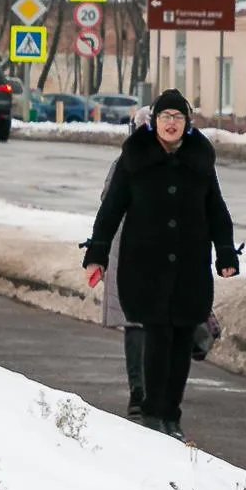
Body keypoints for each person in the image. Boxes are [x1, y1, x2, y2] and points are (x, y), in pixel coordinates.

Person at [82, 90, 239, 441]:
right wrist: (97, 255)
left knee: (182, 337)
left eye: (178, 117)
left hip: (189, 266)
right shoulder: (134, 160)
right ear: (154, 122)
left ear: (188, 124)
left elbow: (217, 210)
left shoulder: (200, 163)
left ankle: (172, 413)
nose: (171, 123)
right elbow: (110, 211)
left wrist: (226, 253)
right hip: (145, 265)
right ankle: (152, 411)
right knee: (156, 334)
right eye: (165, 116)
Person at [96, 106, 152, 419]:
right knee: (137, 322)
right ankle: (139, 391)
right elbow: (108, 208)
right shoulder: (124, 165)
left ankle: (147, 390)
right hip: (130, 251)